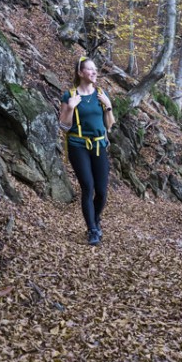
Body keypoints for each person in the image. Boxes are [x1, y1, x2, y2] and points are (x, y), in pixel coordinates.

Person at [59, 57, 115, 244]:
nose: (94, 72)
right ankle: (92, 230)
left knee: (101, 191)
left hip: (99, 145)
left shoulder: (101, 94)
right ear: (80, 73)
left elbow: (110, 125)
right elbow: (64, 126)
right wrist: (71, 108)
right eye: (90, 69)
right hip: (78, 145)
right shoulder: (70, 95)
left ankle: (95, 219)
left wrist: (108, 106)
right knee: (87, 187)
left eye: (95, 69)